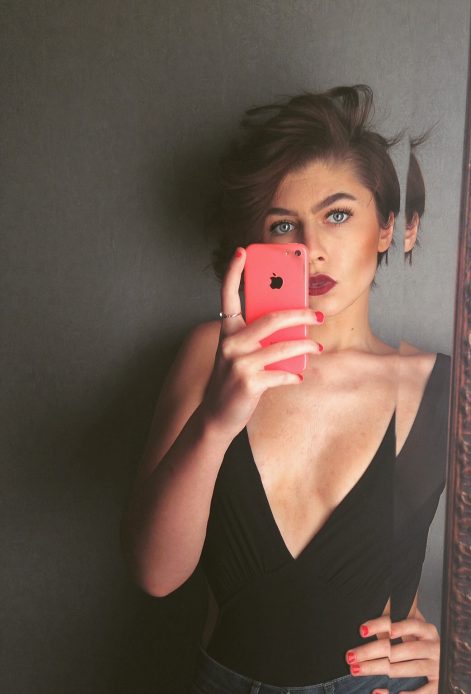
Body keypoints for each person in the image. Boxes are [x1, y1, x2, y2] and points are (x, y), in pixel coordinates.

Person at [121, 85, 450, 694]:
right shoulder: (214, 355)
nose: (311, 247)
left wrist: (455, 653)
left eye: (338, 214)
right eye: (283, 224)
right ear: (257, 246)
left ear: (387, 228)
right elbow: (155, 574)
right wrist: (218, 419)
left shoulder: (444, 389)